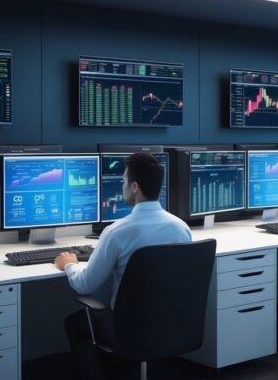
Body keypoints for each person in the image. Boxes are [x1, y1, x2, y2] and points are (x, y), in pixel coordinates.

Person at [54, 153, 192, 379]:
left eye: (123, 181)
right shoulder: (181, 228)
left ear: (135, 186)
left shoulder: (117, 232)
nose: (122, 185)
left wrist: (69, 264)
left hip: (129, 329)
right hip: (172, 324)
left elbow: (84, 285)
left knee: (75, 323)